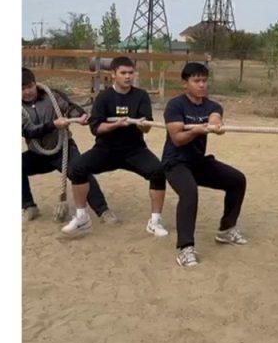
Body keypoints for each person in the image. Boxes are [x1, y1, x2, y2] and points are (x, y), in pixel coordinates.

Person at [63, 56, 169, 238]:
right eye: (123, 73)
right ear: (113, 74)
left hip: (134, 149)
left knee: (158, 171)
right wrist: (116, 124)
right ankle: (82, 217)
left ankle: (155, 221)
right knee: (77, 168)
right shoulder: (104, 97)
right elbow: (96, 128)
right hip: (106, 149)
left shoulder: (141, 96)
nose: (128, 76)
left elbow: (147, 126)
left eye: (131, 73)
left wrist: (142, 125)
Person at [162, 62, 249, 267]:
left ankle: (226, 229)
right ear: (185, 83)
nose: (201, 85)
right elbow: (177, 139)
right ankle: (185, 248)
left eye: (204, 80)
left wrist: (215, 124)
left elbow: (215, 116)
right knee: (189, 192)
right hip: (175, 163)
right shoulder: (175, 105)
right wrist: (196, 131)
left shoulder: (212, 105)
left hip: (198, 162)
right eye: (196, 81)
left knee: (237, 180)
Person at [21, 67, 113, 232]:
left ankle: (103, 211)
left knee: (80, 171)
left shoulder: (52, 96)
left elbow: (69, 108)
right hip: (38, 154)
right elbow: (28, 131)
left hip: (63, 149)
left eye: (30, 86)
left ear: (35, 84)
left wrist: (80, 115)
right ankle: (29, 206)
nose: (27, 92)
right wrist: (53, 125)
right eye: (22, 89)